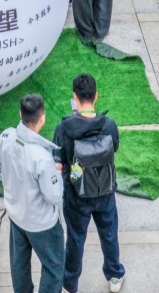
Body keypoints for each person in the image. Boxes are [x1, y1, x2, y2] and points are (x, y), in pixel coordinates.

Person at [53, 72, 124, 293]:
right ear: (96, 96)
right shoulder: (109, 125)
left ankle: (70, 284)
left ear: (75, 97)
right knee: (109, 235)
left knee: (75, 240)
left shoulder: (64, 128)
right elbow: (114, 147)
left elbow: (57, 161)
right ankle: (114, 275)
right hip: (105, 191)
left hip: (76, 196)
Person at [0, 92, 65, 293]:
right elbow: (54, 195)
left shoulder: (5, 137)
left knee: (19, 266)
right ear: (42, 118)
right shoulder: (41, 157)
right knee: (53, 268)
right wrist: (57, 175)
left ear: (20, 113)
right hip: (42, 224)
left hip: (16, 217)